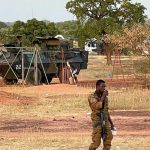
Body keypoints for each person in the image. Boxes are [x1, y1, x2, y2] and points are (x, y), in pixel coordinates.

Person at [88, 79, 114, 150]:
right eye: (102, 86)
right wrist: (103, 96)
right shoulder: (92, 97)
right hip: (97, 122)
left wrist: (111, 123)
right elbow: (97, 106)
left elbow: (106, 110)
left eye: (104, 87)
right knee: (96, 142)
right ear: (97, 86)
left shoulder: (105, 98)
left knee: (108, 140)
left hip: (105, 121)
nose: (104, 88)